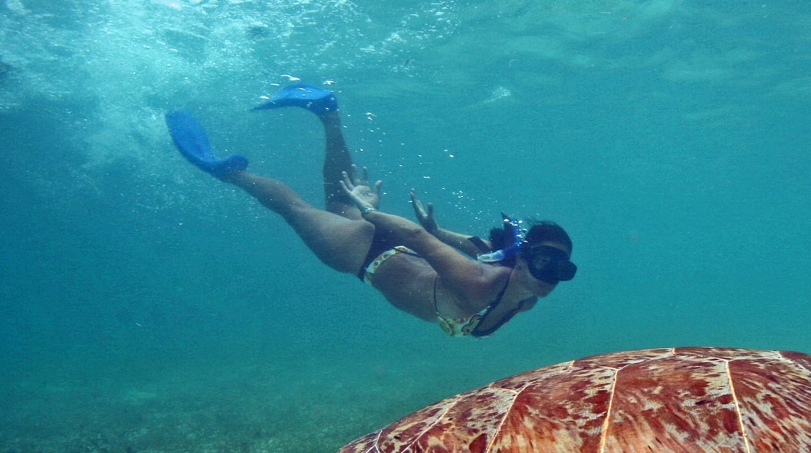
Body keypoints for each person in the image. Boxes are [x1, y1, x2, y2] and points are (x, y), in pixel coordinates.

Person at [165, 85, 576, 338]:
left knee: (336, 204)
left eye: (560, 268)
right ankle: (227, 172)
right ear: (523, 260)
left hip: (383, 248)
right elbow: (417, 238)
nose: (550, 275)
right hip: (363, 253)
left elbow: (480, 244)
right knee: (293, 208)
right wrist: (371, 213)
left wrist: (437, 228)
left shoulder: (524, 299)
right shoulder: (480, 281)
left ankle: (327, 112)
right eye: (543, 261)